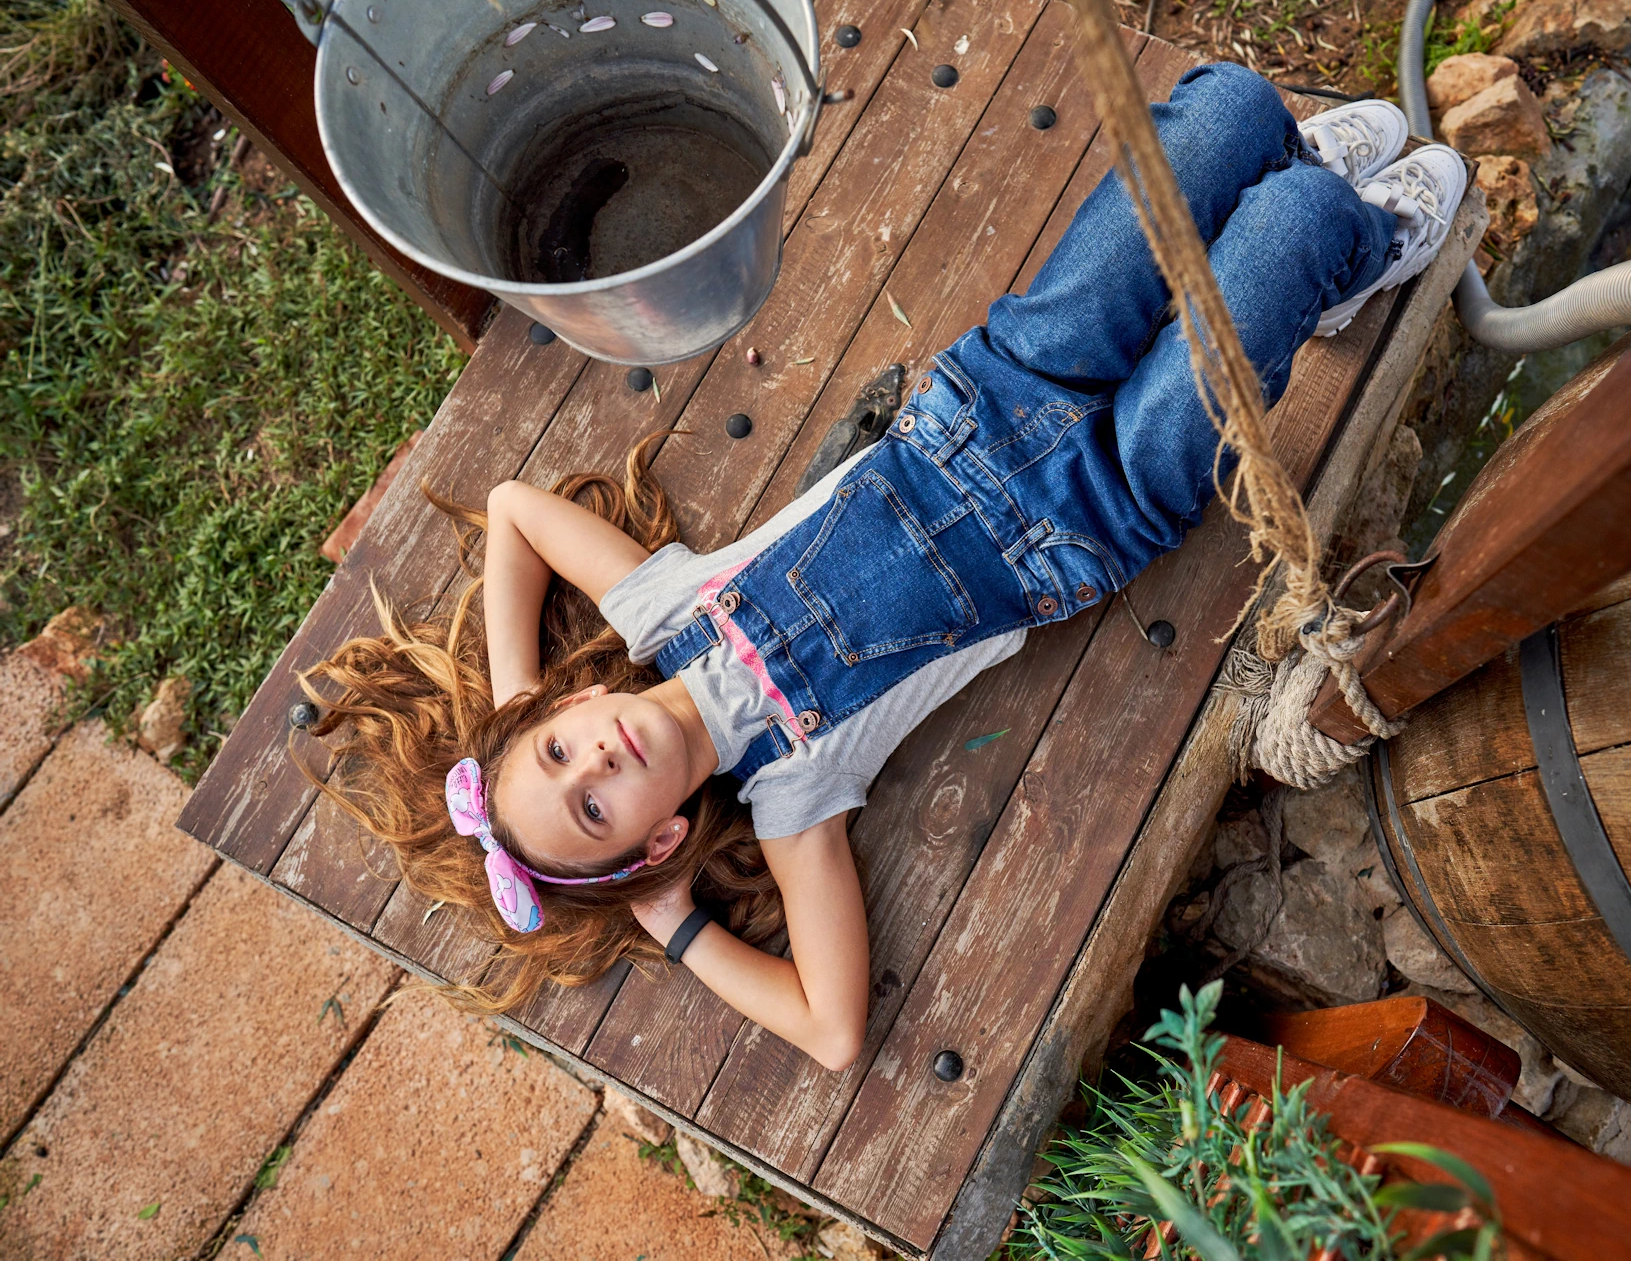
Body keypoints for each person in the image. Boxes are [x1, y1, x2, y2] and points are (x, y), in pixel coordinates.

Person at [305, 64, 1467, 1071]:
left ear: (577, 699)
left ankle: (1288, 175)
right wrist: (674, 927)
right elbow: (831, 1029)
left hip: (1000, 380)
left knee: (1230, 112)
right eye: (595, 805)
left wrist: (508, 705)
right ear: (657, 839)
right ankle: (1349, 244)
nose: (592, 760)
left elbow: (514, 512)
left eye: (559, 749)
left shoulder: (660, 608)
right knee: (1298, 227)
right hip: (1096, 506)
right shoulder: (791, 799)